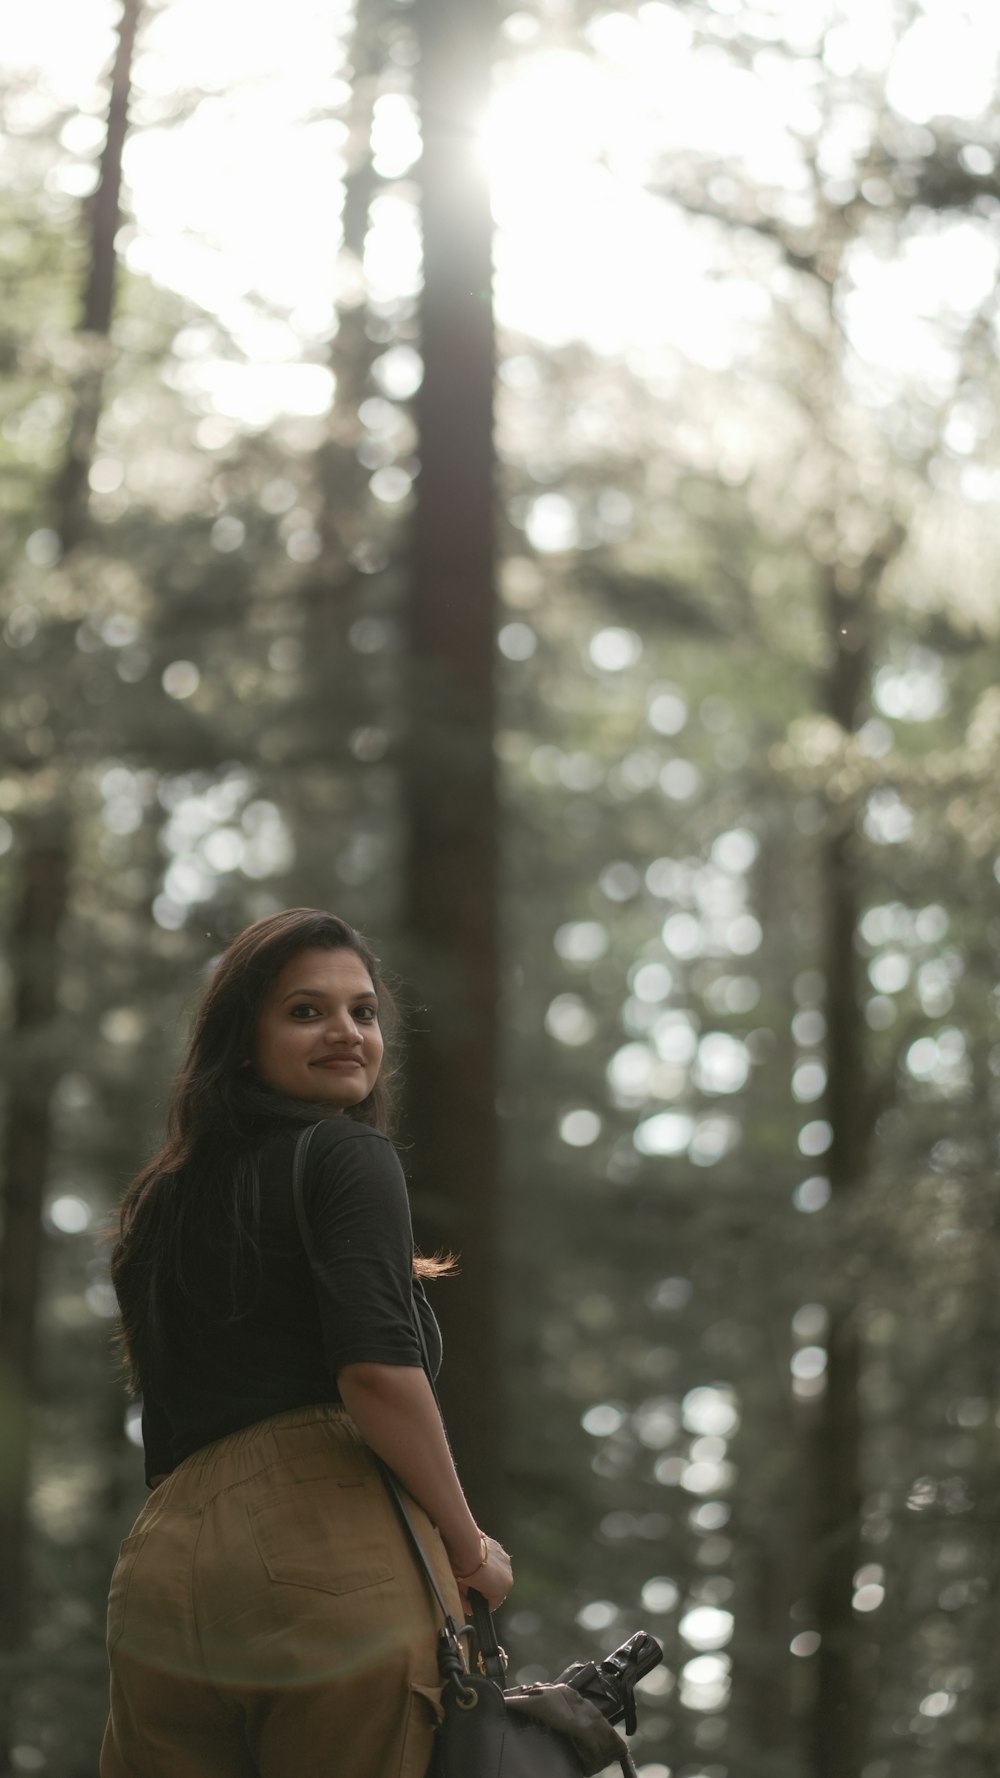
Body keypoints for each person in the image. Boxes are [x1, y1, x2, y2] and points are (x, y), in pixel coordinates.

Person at [100, 907, 512, 1778]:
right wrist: (468, 1546)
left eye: (364, 1012)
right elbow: (375, 1373)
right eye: (306, 1011)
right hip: (324, 1541)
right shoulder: (346, 1155)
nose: (346, 1032)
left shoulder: (157, 1205)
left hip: (163, 1566)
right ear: (241, 1040)